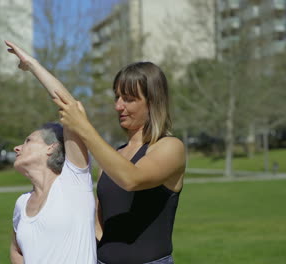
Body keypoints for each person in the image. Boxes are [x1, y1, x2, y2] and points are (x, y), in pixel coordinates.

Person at [53, 62, 186, 264]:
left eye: (129, 99)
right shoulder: (116, 155)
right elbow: (99, 219)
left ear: (153, 102)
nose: (118, 106)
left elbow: (132, 179)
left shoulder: (171, 147)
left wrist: (84, 128)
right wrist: (33, 65)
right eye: (117, 97)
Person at [5, 41, 96, 264]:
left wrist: (32, 65)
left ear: (51, 147)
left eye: (27, 141)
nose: (17, 148)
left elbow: (70, 106)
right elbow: (17, 250)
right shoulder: (21, 204)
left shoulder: (73, 182)